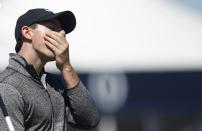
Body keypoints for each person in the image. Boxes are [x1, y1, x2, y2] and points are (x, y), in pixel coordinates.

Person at [0, 8, 99, 131]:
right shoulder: (7, 87)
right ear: (27, 32)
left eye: (62, 31)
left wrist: (66, 67)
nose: (62, 34)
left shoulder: (54, 83)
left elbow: (90, 120)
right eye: (53, 28)